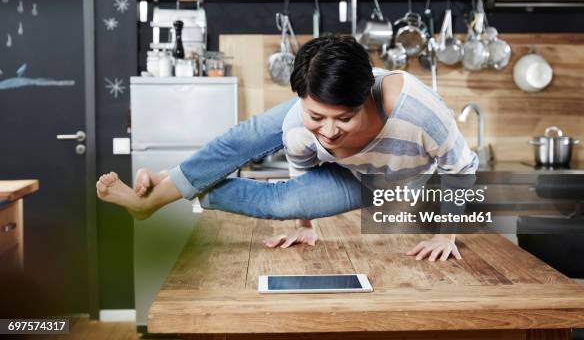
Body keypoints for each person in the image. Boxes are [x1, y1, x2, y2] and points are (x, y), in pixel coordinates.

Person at [97, 34, 478, 261]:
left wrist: (446, 233)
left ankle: (167, 183)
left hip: (382, 182)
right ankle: (149, 202)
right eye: (317, 116)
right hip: (339, 164)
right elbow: (302, 161)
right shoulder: (300, 119)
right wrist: (305, 224)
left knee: (279, 203)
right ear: (302, 99)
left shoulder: (419, 111)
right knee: (242, 138)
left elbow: (460, 168)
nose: (328, 131)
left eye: (343, 119)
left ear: (365, 98)